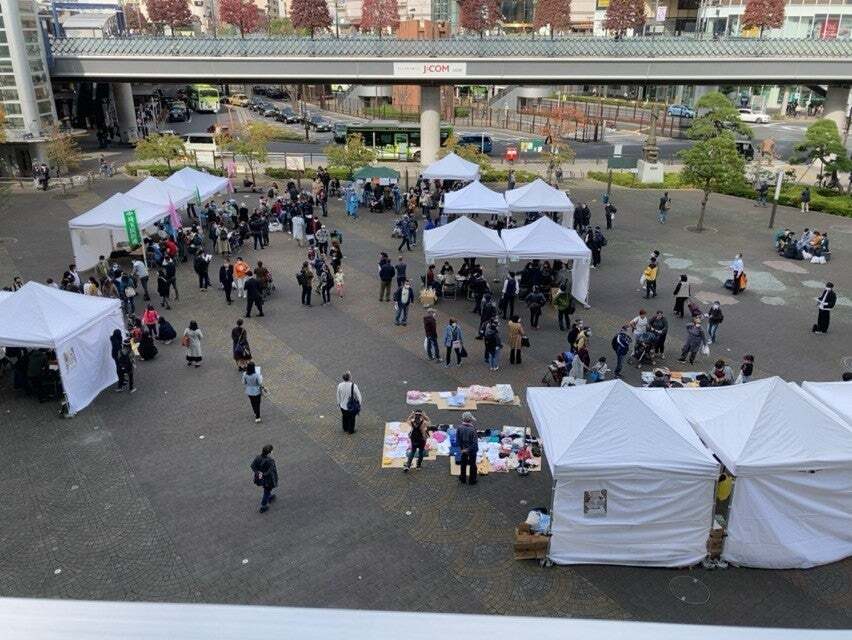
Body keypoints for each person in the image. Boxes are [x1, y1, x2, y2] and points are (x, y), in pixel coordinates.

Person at [250, 444, 278, 513]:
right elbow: (270, 471)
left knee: (266, 489)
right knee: (267, 491)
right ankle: (264, 505)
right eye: (271, 451)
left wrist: (258, 473)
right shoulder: (270, 461)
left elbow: (252, 466)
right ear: (269, 453)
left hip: (260, 479)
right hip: (269, 480)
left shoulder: (258, 457)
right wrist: (263, 474)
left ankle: (269, 496)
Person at [457, 412, 479, 485]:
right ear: (470, 420)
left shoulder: (459, 428)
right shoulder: (473, 430)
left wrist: (462, 449)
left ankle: (462, 478)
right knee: (472, 464)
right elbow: (474, 443)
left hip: (463, 449)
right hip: (472, 450)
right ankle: (472, 480)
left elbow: (458, 439)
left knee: (463, 463)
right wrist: (468, 449)